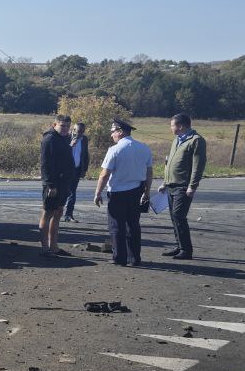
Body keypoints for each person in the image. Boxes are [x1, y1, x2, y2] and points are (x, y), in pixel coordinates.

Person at [93, 118, 153, 266]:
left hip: (118, 193)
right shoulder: (144, 148)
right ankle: (134, 258)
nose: (111, 135)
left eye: (112, 131)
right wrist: (147, 192)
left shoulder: (114, 150)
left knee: (116, 226)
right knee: (133, 225)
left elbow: (105, 174)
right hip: (137, 191)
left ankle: (119, 258)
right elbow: (149, 173)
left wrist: (97, 193)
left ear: (119, 132)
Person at [157, 112, 207, 259]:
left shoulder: (196, 140)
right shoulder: (177, 140)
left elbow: (198, 166)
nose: (171, 128)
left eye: (172, 125)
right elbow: (170, 163)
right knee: (174, 217)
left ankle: (186, 250)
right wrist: (164, 182)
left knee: (179, 215)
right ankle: (179, 246)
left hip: (183, 186)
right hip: (171, 185)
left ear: (180, 126)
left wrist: (193, 186)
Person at [38, 114, 76, 257]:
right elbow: (45, 164)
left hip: (64, 184)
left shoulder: (64, 138)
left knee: (58, 213)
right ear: (55, 125)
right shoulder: (49, 140)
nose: (66, 128)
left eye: (67, 126)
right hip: (53, 184)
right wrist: (50, 185)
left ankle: (54, 247)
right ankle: (44, 249)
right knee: (47, 213)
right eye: (62, 125)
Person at [63, 122, 90, 221]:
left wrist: (84, 169)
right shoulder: (65, 137)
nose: (80, 134)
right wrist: (71, 145)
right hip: (65, 170)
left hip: (77, 169)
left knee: (72, 193)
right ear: (73, 130)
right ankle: (57, 212)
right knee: (64, 192)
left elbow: (86, 155)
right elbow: (61, 153)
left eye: (82, 131)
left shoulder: (84, 139)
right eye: (78, 131)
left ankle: (68, 215)